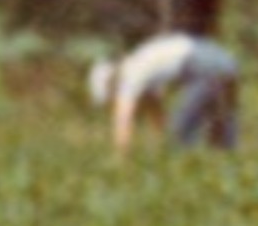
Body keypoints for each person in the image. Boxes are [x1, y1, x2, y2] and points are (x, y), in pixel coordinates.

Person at [89, 32, 240, 153]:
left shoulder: (131, 73)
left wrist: (121, 161)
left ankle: (186, 174)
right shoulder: (142, 67)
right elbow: (157, 113)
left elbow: (123, 122)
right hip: (225, 60)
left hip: (204, 65)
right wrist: (162, 141)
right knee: (222, 135)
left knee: (180, 134)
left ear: (112, 83)